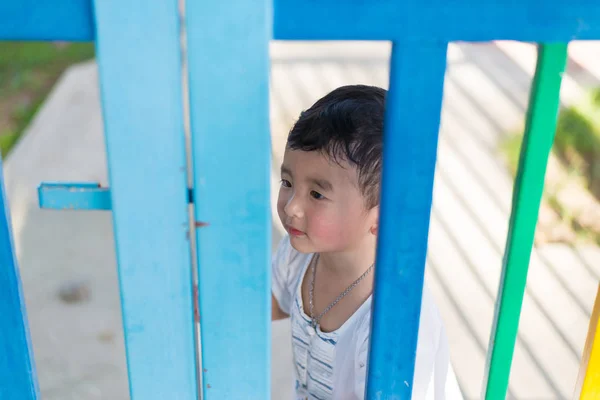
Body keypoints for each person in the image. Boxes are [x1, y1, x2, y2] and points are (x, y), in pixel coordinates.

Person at [271, 85, 457, 399]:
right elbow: (273, 304)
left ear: (381, 217)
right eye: (288, 182)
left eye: (317, 194)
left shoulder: (392, 319)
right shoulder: (297, 255)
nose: (291, 207)